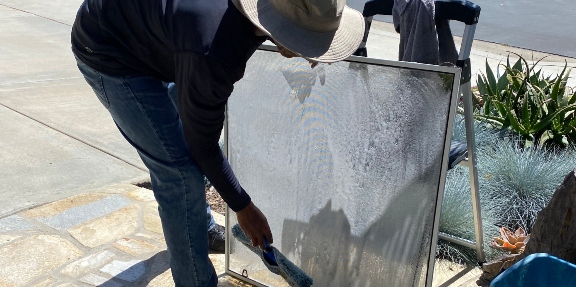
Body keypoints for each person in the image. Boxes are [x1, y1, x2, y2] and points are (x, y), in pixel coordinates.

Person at [71, 0, 363, 285]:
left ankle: (203, 229)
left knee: (195, 148)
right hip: (109, 48)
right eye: (310, 43)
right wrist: (243, 206)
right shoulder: (215, 49)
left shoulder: (234, 25)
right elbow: (201, 145)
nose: (311, 56)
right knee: (180, 176)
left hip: (163, 36)